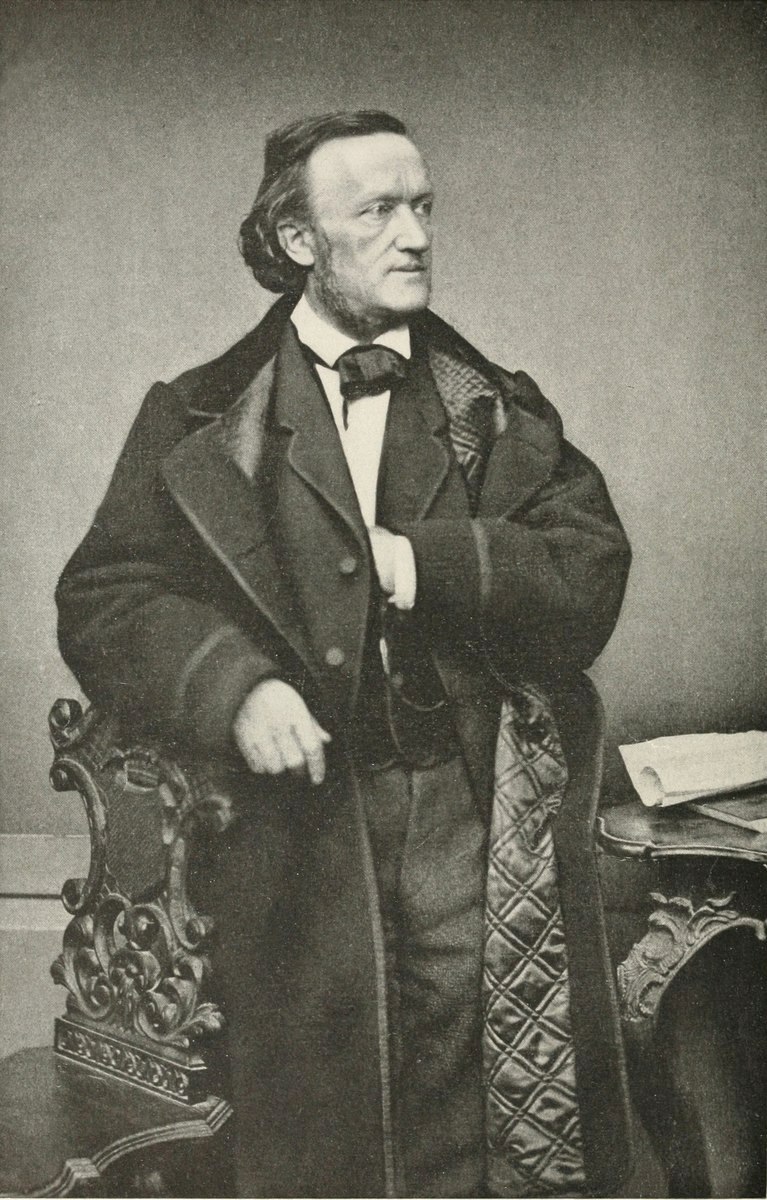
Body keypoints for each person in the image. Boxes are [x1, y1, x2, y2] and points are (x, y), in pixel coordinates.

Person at [56, 110, 632, 1198]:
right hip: (278, 828)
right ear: (298, 241)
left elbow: (587, 571)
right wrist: (236, 688)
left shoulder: (492, 410)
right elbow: (105, 596)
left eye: (422, 207)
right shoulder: (198, 415)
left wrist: (419, 562)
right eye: (376, 212)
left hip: (463, 808)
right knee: (309, 1114)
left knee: (468, 1096)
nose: (415, 235)